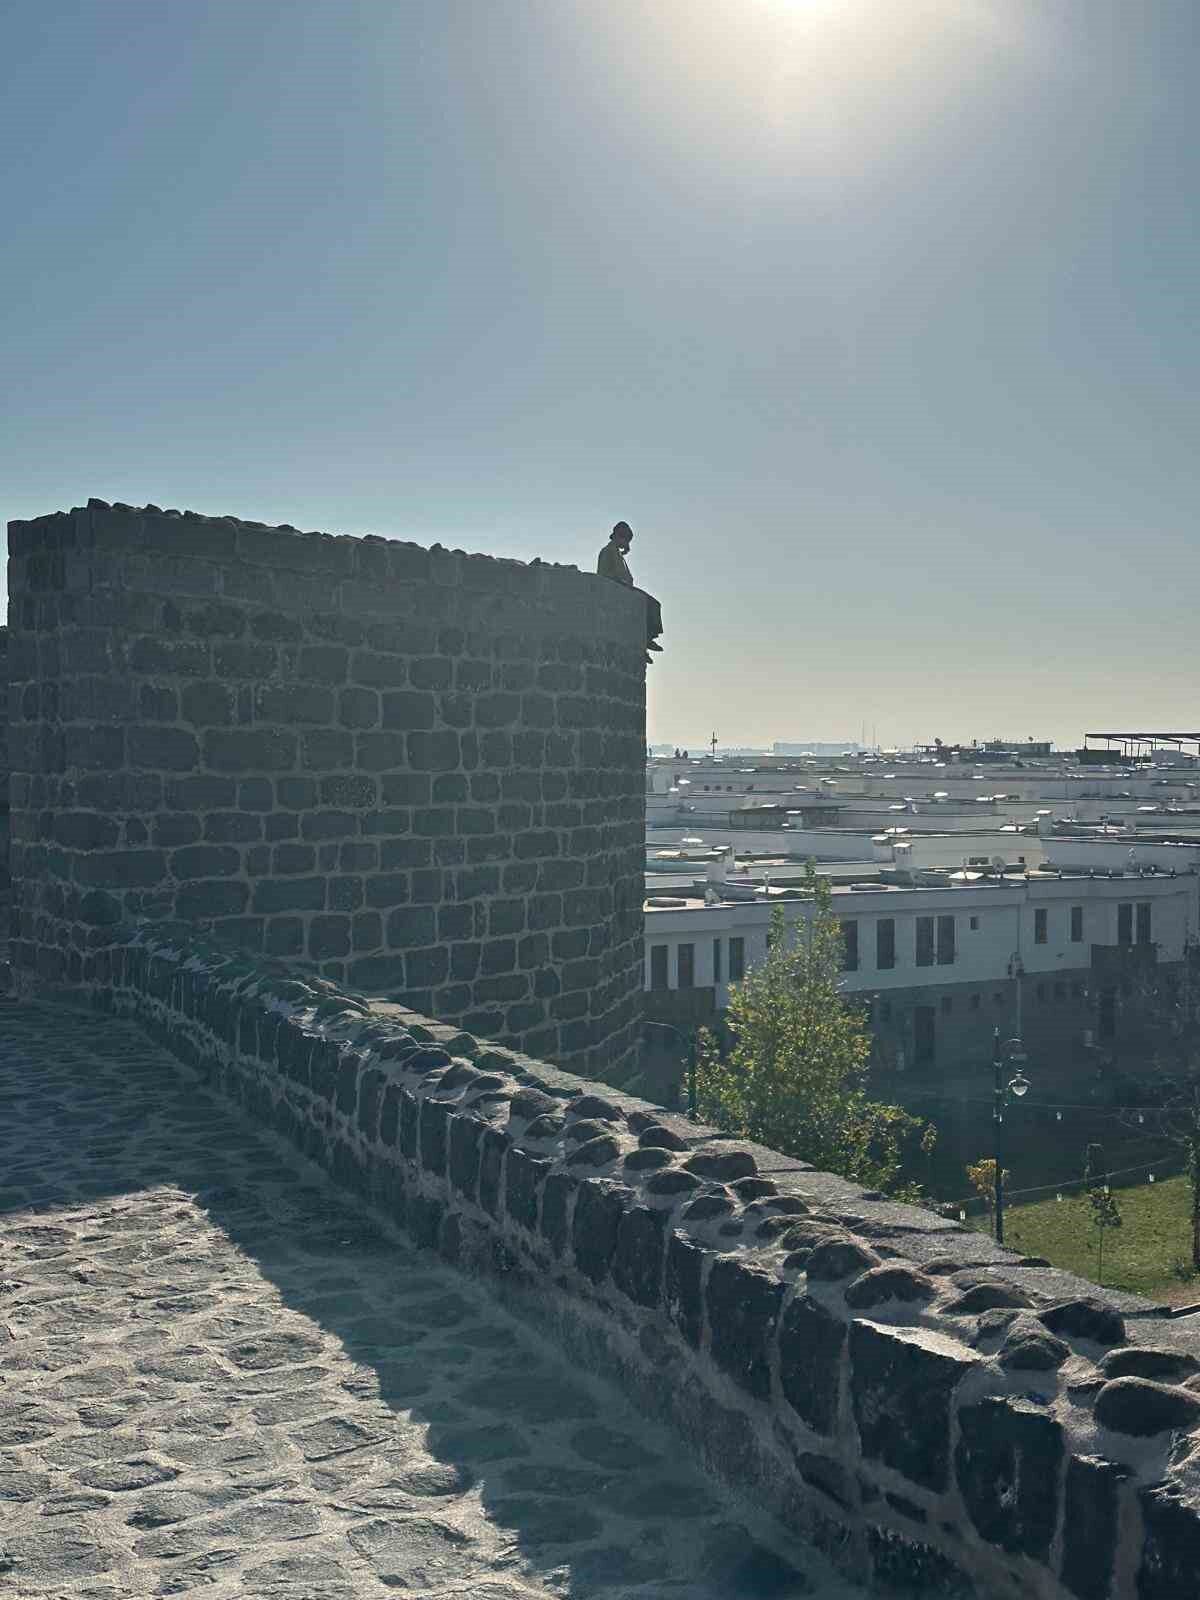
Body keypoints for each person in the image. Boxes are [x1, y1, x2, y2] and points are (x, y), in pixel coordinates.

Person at [596, 521, 663, 663]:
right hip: (615, 587)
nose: (625, 543)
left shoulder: (616, 553)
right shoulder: (608, 551)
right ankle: (646, 639)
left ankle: (647, 638)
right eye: (625, 539)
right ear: (619, 537)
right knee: (650, 604)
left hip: (622, 586)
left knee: (653, 604)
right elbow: (604, 575)